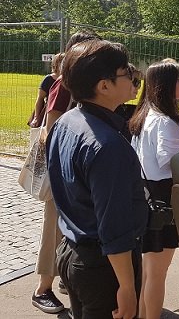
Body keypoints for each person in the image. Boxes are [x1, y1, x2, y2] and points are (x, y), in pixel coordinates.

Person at [47, 39, 148, 319]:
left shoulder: (67, 121)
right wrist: (126, 286)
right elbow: (113, 225)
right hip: (103, 267)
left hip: (72, 252)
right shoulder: (106, 146)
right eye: (126, 73)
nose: (132, 78)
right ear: (104, 86)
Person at [31, 30, 99, 315]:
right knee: (53, 228)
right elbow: (51, 129)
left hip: (77, 172)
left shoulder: (86, 83)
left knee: (71, 228)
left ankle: (65, 277)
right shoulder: (64, 84)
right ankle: (42, 289)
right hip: (61, 171)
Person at [130, 60, 179, 319]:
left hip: (147, 197)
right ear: (167, 85)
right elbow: (171, 161)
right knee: (157, 273)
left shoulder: (145, 115)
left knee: (149, 270)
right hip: (164, 201)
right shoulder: (165, 122)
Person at [28, 53, 64, 128]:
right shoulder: (48, 79)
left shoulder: (70, 79)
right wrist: (36, 117)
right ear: (55, 64)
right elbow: (40, 99)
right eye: (61, 62)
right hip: (50, 111)